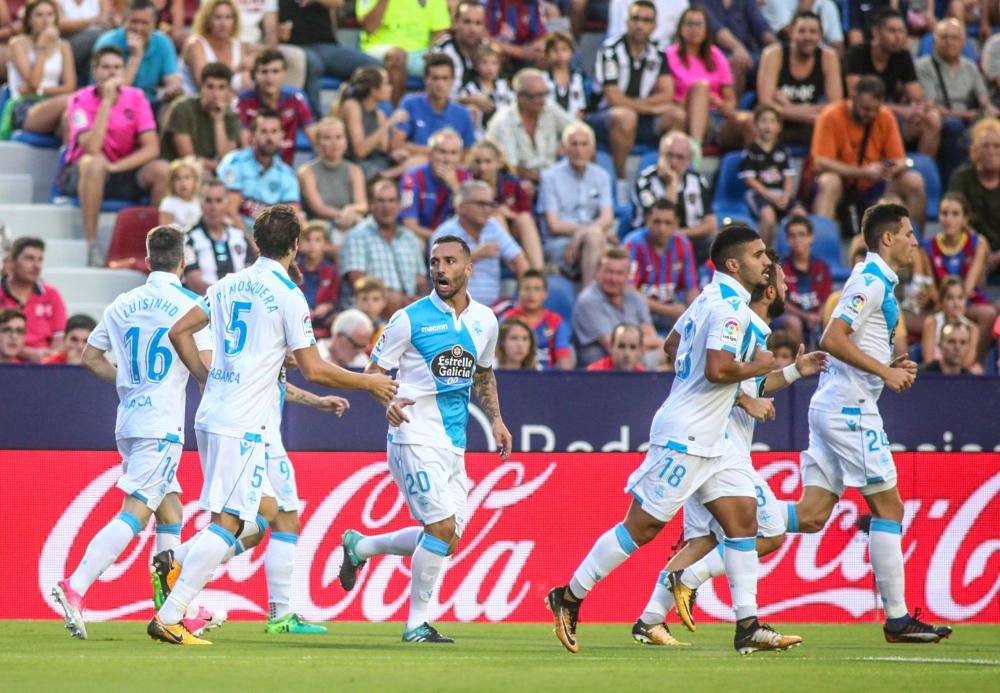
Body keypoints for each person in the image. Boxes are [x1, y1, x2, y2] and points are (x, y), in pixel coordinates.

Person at [148, 205, 396, 645]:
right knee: (228, 523)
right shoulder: (288, 294)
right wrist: (369, 382)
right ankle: (170, 613)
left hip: (212, 414)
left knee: (239, 517)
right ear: (296, 245)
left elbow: (178, 331)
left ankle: (173, 581)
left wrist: (208, 379)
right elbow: (315, 369)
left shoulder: (228, 283)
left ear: (256, 243)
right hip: (243, 422)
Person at [547, 224, 796, 656]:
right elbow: (718, 369)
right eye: (759, 256)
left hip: (712, 438)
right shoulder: (731, 309)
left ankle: (748, 625)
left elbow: (670, 343)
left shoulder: (707, 298)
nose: (766, 263)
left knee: (743, 523)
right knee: (639, 529)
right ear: (734, 264)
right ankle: (568, 596)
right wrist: (759, 365)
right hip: (686, 435)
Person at [786, 202, 953, 644]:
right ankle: (898, 619)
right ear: (887, 238)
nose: (916, 241)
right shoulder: (869, 279)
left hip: (834, 405)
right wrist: (885, 372)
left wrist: (890, 361)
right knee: (889, 507)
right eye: (909, 233)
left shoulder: (880, 281)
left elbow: (854, 340)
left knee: (809, 515)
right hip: (850, 410)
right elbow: (832, 337)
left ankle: (730, 529)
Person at [640, 251, 825, 645]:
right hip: (716, 447)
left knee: (706, 539)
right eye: (782, 280)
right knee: (768, 531)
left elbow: (687, 354)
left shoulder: (726, 310)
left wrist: (794, 370)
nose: (789, 288)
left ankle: (650, 619)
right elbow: (718, 372)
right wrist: (743, 399)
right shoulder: (739, 320)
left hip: (707, 444)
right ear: (770, 288)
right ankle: (705, 595)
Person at [339, 234, 511, 644]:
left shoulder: (485, 320)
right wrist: (388, 402)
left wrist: (498, 420)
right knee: (440, 527)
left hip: (454, 442)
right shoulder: (408, 319)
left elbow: (483, 373)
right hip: (411, 434)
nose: (441, 270)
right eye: (435, 262)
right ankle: (416, 624)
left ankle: (360, 546)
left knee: (448, 540)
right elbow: (375, 370)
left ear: (468, 269)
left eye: (450, 262)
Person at [52, 226, 220, 642]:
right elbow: (209, 367)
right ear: (183, 262)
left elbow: (91, 358)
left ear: (147, 260)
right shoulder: (191, 305)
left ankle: (173, 608)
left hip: (128, 420)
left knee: (171, 510)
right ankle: (75, 585)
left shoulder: (122, 303)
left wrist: (129, 385)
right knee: (135, 511)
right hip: (162, 424)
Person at [63, 45, 169, 266]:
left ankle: (156, 248)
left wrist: (116, 167)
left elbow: (151, 148)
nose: (111, 73)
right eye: (106, 67)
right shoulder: (79, 99)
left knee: (162, 170)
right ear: (95, 71)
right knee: (95, 162)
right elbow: (91, 147)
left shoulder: (137, 97)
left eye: (117, 68)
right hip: (83, 174)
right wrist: (106, 103)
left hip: (121, 168)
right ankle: (91, 243)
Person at [810, 75, 926, 232]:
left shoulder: (885, 116)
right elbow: (821, 162)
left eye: (875, 109)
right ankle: (822, 244)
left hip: (874, 183)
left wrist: (892, 168)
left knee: (914, 181)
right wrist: (861, 172)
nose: (871, 114)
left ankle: (914, 242)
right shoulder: (830, 116)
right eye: (865, 109)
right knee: (830, 181)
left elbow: (898, 159)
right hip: (843, 185)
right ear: (853, 98)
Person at [589, 0, 676, 199]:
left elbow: (667, 93)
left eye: (646, 20)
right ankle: (621, 182)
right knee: (625, 116)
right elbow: (613, 98)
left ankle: (668, 178)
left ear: (654, 25)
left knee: (676, 115)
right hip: (603, 119)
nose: (640, 25)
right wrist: (648, 107)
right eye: (635, 19)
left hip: (638, 119)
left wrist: (641, 107)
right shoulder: (610, 51)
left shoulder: (659, 53)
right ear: (627, 22)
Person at [843, 9, 941, 162]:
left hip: (889, 112)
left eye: (902, 31)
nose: (898, 37)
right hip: (858, 113)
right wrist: (901, 110)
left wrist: (921, 109)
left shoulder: (902, 55)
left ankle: (922, 169)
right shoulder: (856, 53)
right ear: (876, 32)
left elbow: (916, 95)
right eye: (892, 31)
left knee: (931, 120)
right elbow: (855, 98)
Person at [916, 18, 998, 185]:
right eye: (944, 37)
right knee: (955, 127)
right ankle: (951, 185)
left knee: (990, 127)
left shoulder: (970, 67)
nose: (949, 42)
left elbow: (984, 100)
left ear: (963, 42)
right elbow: (930, 105)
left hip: (969, 118)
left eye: (954, 37)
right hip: (942, 119)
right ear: (934, 42)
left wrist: (990, 111)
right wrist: (965, 115)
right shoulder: (924, 66)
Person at [665, 6, 753, 150]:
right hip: (684, 115)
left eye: (699, 24)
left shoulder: (716, 54)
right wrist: (701, 97)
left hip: (716, 116)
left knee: (748, 120)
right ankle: (695, 149)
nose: (694, 29)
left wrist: (726, 105)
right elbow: (666, 96)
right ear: (680, 28)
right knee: (701, 88)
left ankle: (755, 164)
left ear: (707, 29)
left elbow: (729, 98)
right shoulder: (669, 55)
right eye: (689, 24)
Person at [537, 122, 614, 288]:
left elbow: (607, 217)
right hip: (561, 243)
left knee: (610, 248)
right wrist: (587, 233)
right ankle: (589, 299)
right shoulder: (550, 177)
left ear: (592, 149)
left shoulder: (602, 176)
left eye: (584, 144)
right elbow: (554, 225)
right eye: (574, 144)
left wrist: (583, 234)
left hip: (591, 238)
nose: (579, 150)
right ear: (564, 149)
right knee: (599, 242)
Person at [430, 180, 528, 307]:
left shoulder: (493, 226)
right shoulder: (445, 233)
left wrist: (521, 298)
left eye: (490, 204)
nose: (487, 209)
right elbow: (441, 272)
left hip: (491, 310)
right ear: (461, 207)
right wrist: (475, 255)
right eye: (481, 204)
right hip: (452, 309)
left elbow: (520, 262)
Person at [924, 192, 996, 362]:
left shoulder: (978, 243)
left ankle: (974, 363)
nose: (948, 219)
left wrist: (955, 303)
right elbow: (931, 287)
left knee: (988, 313)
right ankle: (931, 367)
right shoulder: (927, 247)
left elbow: (968, 288)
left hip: (967, 302)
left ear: (965, 219)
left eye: (955, 214)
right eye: (944, 213)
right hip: (940, 303)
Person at [277, 0, 380, 119]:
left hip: (327, 47)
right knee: (313, 63)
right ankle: (313, 122)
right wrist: (279, 31)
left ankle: (359, 121)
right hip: (296, 47)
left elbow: (338, 3)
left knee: (373, 68)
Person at [756, 11, 843, 147]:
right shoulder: (774, 54)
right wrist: (811, 116)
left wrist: (788, 106)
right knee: (754, 125)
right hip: (776, 124)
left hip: (808, 126)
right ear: (790, 33)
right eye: (801, 31)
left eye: (813, 32)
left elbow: (835, 107)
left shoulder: (828, 57)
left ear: (821, 36)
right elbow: (766, 106)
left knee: (836, 126)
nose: (807, 37)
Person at [341, 179, 427, 313]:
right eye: (380, 201)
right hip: (373, 312)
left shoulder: (410, 238)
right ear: (371, 205)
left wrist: (420, 299)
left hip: (411, 311)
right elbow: (358, 282)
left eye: (391, 201)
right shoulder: (357, 235)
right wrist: (391, 298)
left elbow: (421, 281)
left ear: (399, 205)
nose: (386, 207)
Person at [632, 131, 717, 261]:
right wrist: (671, 184)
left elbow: (711, 224)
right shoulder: (645, 181)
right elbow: (662, 223)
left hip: (690, 238)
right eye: (669, 155)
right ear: (660, 155)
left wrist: (681, 235)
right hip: (651, 240)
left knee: (718, 242)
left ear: (689, 160)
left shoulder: (697, 181)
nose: (673, 162)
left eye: (680, 157)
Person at [571, 247, 661, 368]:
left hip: (634, 368)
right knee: (654, 358)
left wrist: (657, 343)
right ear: (597, 271)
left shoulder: (636, 299)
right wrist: (657, 342)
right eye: (609, 272)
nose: (613, 279)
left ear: (628, 275)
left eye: (619, 273)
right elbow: (615, 348)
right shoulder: (587, 300)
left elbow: (651, 336)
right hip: (598, 375)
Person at [486, 67, 576, 187]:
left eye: (544, 94)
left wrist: (566, 142)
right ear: (520, 96)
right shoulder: (503, 122)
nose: (542, 100)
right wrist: (547, 180)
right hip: (520, 181)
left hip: (552, 177)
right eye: (536, 96)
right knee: (526, 187)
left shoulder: (548, 107)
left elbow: (579, 130)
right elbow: (511, 167)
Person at [218, 108, 302, 232]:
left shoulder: (287, 175)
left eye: (274, 131)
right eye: (263, 131)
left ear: (281, 136)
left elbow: (291, 219)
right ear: (252, 135)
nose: (269, 138)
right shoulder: (234, 162)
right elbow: (229, 212)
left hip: (270, 240)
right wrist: (252, 243)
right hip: (234, 235)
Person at [624, 198, 700, 334]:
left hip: (670, 315)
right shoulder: (634, 244)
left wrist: (695, 314)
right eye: (657, 222)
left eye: (668, 223)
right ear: (647, 221)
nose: (662, 228)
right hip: (638, 314)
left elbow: (691, 289)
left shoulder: (682, 244)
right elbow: (628, 291)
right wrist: (668, 310)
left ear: (676, 224)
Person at [357, 0, 452, 105]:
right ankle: (397, 114)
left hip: (420, 53)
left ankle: (443, 114)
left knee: (446, 64)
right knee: (398, 56)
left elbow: (440, 32)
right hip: (377, 48)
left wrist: (432, 51)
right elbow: (369, 27)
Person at [467, 139, 542, 270]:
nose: (482, 167)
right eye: (478, 162)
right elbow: (465, 214)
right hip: (483, 235)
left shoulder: (511, 183)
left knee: (524, 218)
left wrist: (510, 213)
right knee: (496, 218)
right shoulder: (470, 184)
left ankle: (537, 270)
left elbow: (528, 212)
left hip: (514, 232)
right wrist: (494, 211)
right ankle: (516, 265)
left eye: (488, 161)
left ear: (498, 163)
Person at [6, 0, 77, 138]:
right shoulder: (17, 44)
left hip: (54, 104)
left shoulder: (64, 46)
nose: (45, 21)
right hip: (25, 106)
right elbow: (34, 84)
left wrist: (43, 91)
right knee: (75, 100)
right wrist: (42, 47)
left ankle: (68, 159)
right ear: (29, 20)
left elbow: (70, 86)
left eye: (50, 15)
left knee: (68, 120)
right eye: (39, 15)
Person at [93, 0, 182, 105]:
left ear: (154, 25)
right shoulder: (107, 42)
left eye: (145, 23)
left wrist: (172, 90)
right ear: (124, 22)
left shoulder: (163, 42)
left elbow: (172, 80)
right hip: (113, 105)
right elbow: (112, 94)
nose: (138, 28)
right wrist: (135, 57)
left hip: (149, 104)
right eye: (134, 22)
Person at [237, 49, 315, 167]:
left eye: (275, 71)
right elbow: (245, 144)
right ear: (255, 74)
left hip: (285, 171)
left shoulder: (295, 98)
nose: (270, 78)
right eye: (264, 72)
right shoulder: (243, 100)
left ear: (284, 73)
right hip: (251, 169)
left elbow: (314, 136)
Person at [159, 62, 241, 173]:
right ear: (201, 87)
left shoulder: (231, 115)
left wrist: (219, 121)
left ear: (229, 91)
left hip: (214, 171)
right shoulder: (182, 108)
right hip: (179, 170)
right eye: (210, 87)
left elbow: (227, 158)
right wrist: (219, 167)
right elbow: (187, 157)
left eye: (221, 88)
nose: (215, 93)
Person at [297, 116, 368, 242]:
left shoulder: (354, 170)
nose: (334, 143)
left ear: (346, 142)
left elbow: (362, 204)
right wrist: (342, 216)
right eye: (327, 138)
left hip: (349, 221)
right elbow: (318, 208)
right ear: (318, 143)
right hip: (320, 226)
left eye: (338, 137)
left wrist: (350, 211)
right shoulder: (306, 172)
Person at [337, 65, 409, 182]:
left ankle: (385, 175)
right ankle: (384, 177)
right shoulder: (352, 106)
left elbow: (382, 150)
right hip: (357, 165)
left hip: (378, 162)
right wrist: (389, 123)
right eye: (386, 83)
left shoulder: (380, 114)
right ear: (373, 89)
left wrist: (395, 154)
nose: (391, 88)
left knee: (418, 162)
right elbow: (360, 151)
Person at [394, 52, 476, 155]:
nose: (440, 84)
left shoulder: (463, 113)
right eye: (435, 78)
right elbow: (396, 145)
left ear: (452, 80)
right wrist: (441, 153)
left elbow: (466, 154)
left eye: (445, 78)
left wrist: (418, 150)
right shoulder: (410, 103)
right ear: (425, 79)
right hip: (415, 166)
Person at [947, 117, 1000, 275]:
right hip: (971, 249)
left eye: (997, 146)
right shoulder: (962, 177)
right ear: (975, 149)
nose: (991, 151)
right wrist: (981, 248)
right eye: (985, 146)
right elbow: (951, 214)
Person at [0, 236, 66, 362]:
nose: (36, 266)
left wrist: (50, 358)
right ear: (11, 261)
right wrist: (27, 353)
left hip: (44, 369)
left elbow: (59, 339)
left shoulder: (51, 295)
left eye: (40, 259)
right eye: (29, 258)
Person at [739, 104, 797, 246]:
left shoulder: (783, 150)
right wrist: (771, 197)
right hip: (759, 195)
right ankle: (764, 255)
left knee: (799, 215)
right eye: (763, 121)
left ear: (779, 126)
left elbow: (789, 177)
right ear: (756, 125)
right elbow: (750, 181)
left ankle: (791, 259)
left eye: (772, 121)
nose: (768, 126)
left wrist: (786, 196)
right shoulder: (750, 151)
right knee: (768, 217)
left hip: (780, 194)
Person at [399, 127, 471, 241]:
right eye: (442, 152)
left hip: (455, 240)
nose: (447, 159)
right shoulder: (412, 177)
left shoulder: (465, 177)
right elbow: (410, 225)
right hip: (422, 236)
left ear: (460, 157)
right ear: (430, 153)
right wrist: (442, 240)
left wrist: (455, 186)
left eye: (453, 153)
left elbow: (471, 217)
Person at [182, 178, 249, 294]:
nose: (213, 207)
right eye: (208, 201)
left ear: (227, 203)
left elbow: (250, 274)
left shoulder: (239, 235)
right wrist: (229, 295)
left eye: (219, 201)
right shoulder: (187, 238)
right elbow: (194, 283)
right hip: (204, 306)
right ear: (200, 203)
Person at [501, 270, 573, 370]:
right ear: (519, 292)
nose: (531, 294)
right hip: (513, 375)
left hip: (547, 379)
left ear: (545, 294)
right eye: (527, 289)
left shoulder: (556, 321)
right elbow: (496, 353)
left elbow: (563, 356)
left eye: (537, 289)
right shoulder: (507, 319)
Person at [778, 215, 832, 348]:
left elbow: (827, 299)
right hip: (792, 316)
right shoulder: (780, 268)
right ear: (787, 239)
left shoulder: (822, 267)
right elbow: (781, 302)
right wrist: (806, 316)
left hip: (816, 316)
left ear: (811, 237)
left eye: (802, 234)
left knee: (832, 317)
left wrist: (818, 316)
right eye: (792, 236)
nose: (797, 240)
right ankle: (801, 363)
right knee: (793, 322)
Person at [180, 0, 251, 97]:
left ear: (235, 21)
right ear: (207, 20)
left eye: (228, 17)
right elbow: (204, 83)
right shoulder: (196, 44)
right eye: (218, 17)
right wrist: (237, 69)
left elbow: (246, 85)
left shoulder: (238, 45)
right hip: (197, 106)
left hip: (233, 108)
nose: (224, 23)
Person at [920, 276, 982, 373]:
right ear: (942, 301)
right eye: (950, 298)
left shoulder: (972, 328)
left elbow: (968, 362)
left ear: (966, 300)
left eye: (960, 298)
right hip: (935, 373)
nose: (956, 303)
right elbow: (929, 361)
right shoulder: (932, 322)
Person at [430, 0, 489, 94]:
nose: (472, 29)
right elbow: (437, 95)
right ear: (455, 22)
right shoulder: (441, 51)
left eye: (478, 23)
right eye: (467, 22)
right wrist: (468, 101)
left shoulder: (489, 49)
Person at [458, 43, 514, 139]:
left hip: (504, 133)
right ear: (476, 65)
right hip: (480, 135)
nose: (489, 68)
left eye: (494, 63)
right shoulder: (470, 89)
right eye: (484, 63)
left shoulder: (504, 86)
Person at [296, 220, 340, 337]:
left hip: (322, 320)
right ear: (301, 243)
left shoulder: (331, 270)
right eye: (308, 240)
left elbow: (335, 299)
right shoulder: (294, 269)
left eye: (317, 240)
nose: (312, 245)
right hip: (297, 319)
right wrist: (303, 310)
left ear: (325, 244)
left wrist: (326, 307)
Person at [57, 0, 115, 85]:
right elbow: (60, 24)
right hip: (69, 42)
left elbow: (105, 19)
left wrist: (78, 24)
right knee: (103, 36)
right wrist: (92, 21)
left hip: (96, 45)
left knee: (94, 55)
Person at [485, 0, 546, 70]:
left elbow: (541, 36)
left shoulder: (532, 4)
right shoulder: (493, 3)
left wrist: (538, 49)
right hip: (496, 55)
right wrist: (519, 52)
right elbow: (484, 36)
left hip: (523, 58)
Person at [542, 31, 587, 120]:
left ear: (571, 53)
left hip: (573, 123)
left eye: (564, 49)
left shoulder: (578, 77)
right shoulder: (542, 78)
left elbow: (581, 108)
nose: (559, 54)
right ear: (547, 54)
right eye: (554, 50)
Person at [606, 0, 687, 46]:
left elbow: (684, 36)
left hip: (666, 54)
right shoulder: (620, 2)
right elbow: (615, 35)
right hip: (628, 50)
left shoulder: (679, 2)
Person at [159, 158, 202, 229]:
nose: (183, 183)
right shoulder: (169, 202)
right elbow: (165, 230)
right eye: (178, 179)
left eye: (187, 177)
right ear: (171, 183)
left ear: (195, 181)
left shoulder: (199, 201)